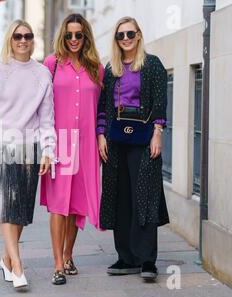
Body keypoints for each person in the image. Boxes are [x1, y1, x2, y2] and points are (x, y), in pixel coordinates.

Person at [0, 20, 56, 289]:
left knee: (21, 211)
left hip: (29, 147)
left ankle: (7, 259)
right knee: (7, 207)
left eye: (28, 36)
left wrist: (48, 150)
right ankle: (18, 267)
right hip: (0, 145)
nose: (23, 40)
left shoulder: (42, 74)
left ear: (33, 40)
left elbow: (46, 119)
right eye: (18, 36)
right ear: (10, 39)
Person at [97, 17, 170, 281]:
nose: (125, 38)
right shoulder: (111, 68)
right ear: (116, 40)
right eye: (120, 35)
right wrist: (101, 136)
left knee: (145, 196)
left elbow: (160, 103)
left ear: (139, 35)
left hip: (144, 138)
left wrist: (158, 133)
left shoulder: (152, 65)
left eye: (130, 33)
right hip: (115, 141)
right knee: (120, 196)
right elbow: (103, 107)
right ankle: (126, 257)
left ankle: (147, 260)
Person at [40, 14, 104, 286]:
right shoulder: (51, 64)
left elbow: (103, 109)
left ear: (85, 36)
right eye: (69, 35)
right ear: (62, 37)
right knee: (59, 205)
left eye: (79, 35)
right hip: (61, 142)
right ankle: (57, 264)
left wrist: (101, 135)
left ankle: (68, 255)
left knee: (76, 205)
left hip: (87, 143)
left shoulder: (95, 68)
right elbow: (42, 106)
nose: (74, 40)